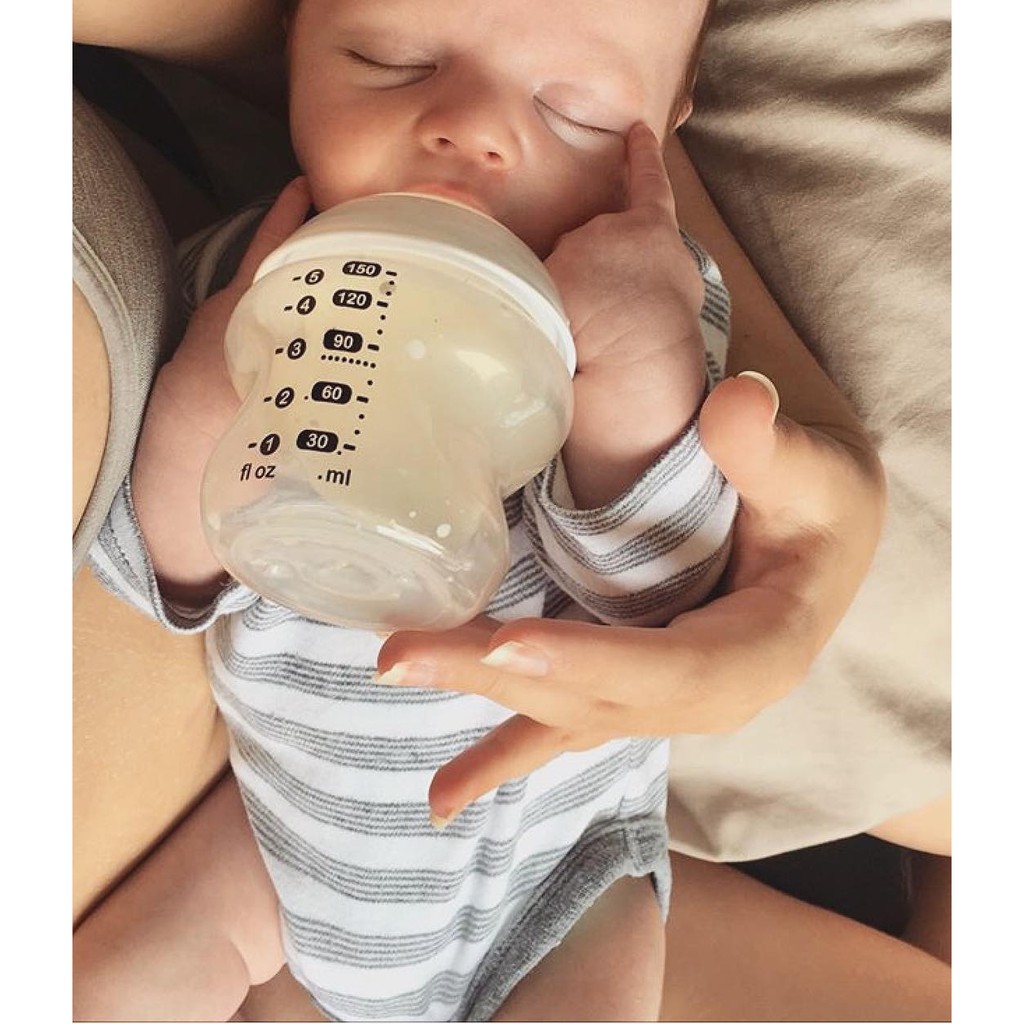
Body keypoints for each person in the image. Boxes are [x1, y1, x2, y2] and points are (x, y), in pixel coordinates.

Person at [72, 0, 951, 1021]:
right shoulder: (256, 279)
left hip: (563, 875)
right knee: (102, 992)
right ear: (293, 49)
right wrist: (214, 391)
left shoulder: (655, 299)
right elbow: (165, 575)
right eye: (391, 60)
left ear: (664, 128)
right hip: (272, 833)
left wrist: (638, 372)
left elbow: (648, 593)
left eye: (574, 110)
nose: (472, 129)